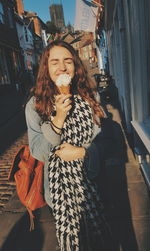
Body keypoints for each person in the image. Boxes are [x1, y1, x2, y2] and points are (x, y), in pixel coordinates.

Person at [25, 40, 113, 251]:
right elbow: (38, 150)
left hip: (93, 183)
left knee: (98, 240)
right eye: (55, 62)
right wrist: (58, 120)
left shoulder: (91, 98)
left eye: (68, 61)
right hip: (59, 193)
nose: (62, 67)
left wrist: (84, 152)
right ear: (46, 68)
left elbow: (108, 140)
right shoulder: (35, 105)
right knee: (73, 242)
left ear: (76, 66)